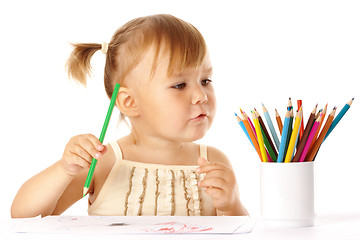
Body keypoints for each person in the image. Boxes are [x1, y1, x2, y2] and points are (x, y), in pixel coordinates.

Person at [11, 14, 248, 217]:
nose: (201, 95)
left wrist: (232, 205)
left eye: (205, 81)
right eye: (179, 85)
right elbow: (24, 215)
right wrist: (64, 168)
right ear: (129, 102)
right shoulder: (104, 161)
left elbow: (242, 230)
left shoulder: (213, 162)